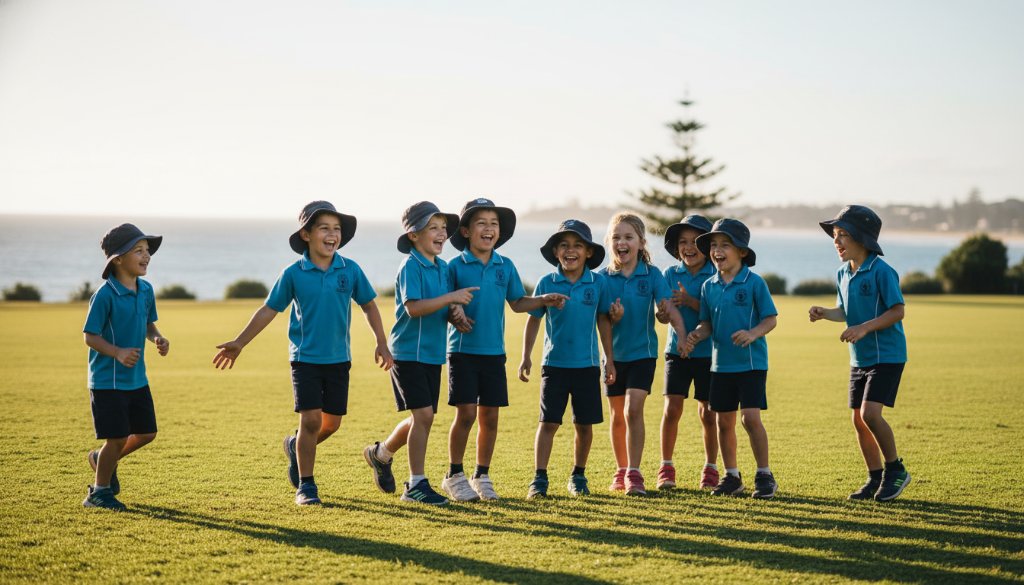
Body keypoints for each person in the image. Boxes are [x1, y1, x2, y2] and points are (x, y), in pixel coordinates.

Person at [213, 201, 392, 506]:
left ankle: (295, 445)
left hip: (339, 359)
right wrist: (240, 342)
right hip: (305, 359)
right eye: (324, 228)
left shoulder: (350, 270)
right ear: (306, 234)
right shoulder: (294, 273)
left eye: (337, 229)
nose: (332, 234)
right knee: (310, 420)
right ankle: (307, 486)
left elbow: (369, 305)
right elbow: (269, 309)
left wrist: (381, 342)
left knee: (331, 424)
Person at [440, 198, 568, 502]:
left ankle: (481, 475)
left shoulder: (505, 265)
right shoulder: (454, 266)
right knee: (467, 414)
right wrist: (454, 311)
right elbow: (446, 302)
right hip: (462, 351)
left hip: (494, 353)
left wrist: (541, 300)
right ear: (467, 231)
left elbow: (517, 302)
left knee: (490, 417)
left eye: (493, 223)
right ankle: (454, 474)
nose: (489, 228)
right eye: (481, 223)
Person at [363, 201, 478, 507]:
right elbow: (413, 308)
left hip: (432, 355)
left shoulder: (442, 268)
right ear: (413, 235)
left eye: (443, 228)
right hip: (406, 354)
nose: (441, 234)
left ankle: (382, 453)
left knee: (422, 419)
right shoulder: (410, 266)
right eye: (433, 228)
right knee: (423, 416)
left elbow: (442, 307)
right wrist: (451, 297)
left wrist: (457, 316)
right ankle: (415, 485)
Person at [810, 205, 910, 502]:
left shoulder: (882, 271)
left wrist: (865, 328)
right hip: (859, 359)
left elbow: (898, 311)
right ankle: (875, 477)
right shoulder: (842, 273)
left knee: (870, 414)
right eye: (835, 235)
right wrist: (825, 313)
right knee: (858, 419)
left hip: (887, 356)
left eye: (843, 235)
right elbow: (845, 312)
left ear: (863, 239)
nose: (837, 241)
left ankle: (896, 471)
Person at [519, 219, 616, 499]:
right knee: (548, 423)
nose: (570, 250)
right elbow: (534, 320)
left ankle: (578, 475)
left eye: (577, 245)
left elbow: (603, 321)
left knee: (584, 425)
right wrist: (526, 355)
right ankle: (539, 478)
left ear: (588, 252)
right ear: (556, 252)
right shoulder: (547, 282)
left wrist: (609, 359)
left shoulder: (598, 283)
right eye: (564, 245)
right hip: (554, 366)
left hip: (586, 366)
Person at [685, 219, 779, 499]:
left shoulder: (754, 282)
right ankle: (732, 476)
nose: (717, 250)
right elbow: (707, 323)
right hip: (720, 365)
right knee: (723, 421)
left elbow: (771, 319)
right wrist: (696, 335)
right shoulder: (708, 286)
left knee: (749, 419)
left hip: (750, 364)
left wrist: (752, 334)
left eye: (725, 245)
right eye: (713, 245)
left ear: (741, 252)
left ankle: (764, 474)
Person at [598, 212, 687, 496]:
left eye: (628, 237)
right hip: (613, 356)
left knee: (632, 409)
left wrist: (679, 332)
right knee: (616, 417)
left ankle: (634, 473)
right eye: (616, 237)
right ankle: (621, 469)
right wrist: (609, 353)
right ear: (609, 242)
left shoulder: (652, 275)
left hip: (643, 355)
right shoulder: (601, 278)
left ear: (641, 242)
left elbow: (666, 310)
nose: (621, 242)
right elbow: (601, 321)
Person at [83, 223, 169, 511]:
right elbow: (90, 336)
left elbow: (148, 323)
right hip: (108, 381)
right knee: (117, 437)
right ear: (117, 258)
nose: (146, 257)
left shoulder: (146, 290)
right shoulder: (105, 295)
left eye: (148, 251)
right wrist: (117, 352)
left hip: (137, 379)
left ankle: (102, 459)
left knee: (147, 433)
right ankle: (98, 493)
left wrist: (157, 337)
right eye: (139, 251)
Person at [656, 214, 720, 490]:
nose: (688, 247)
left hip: (709, 354)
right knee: (672, 409)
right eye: (683, 242)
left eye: (695, 241)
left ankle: (711, 468)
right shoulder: (669, 274)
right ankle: (666, 467)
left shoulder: (717, 274)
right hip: (676, 353)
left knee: (708, 413)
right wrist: (661, 313)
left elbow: (719, 315)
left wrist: (690, 301)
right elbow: (663, 317)